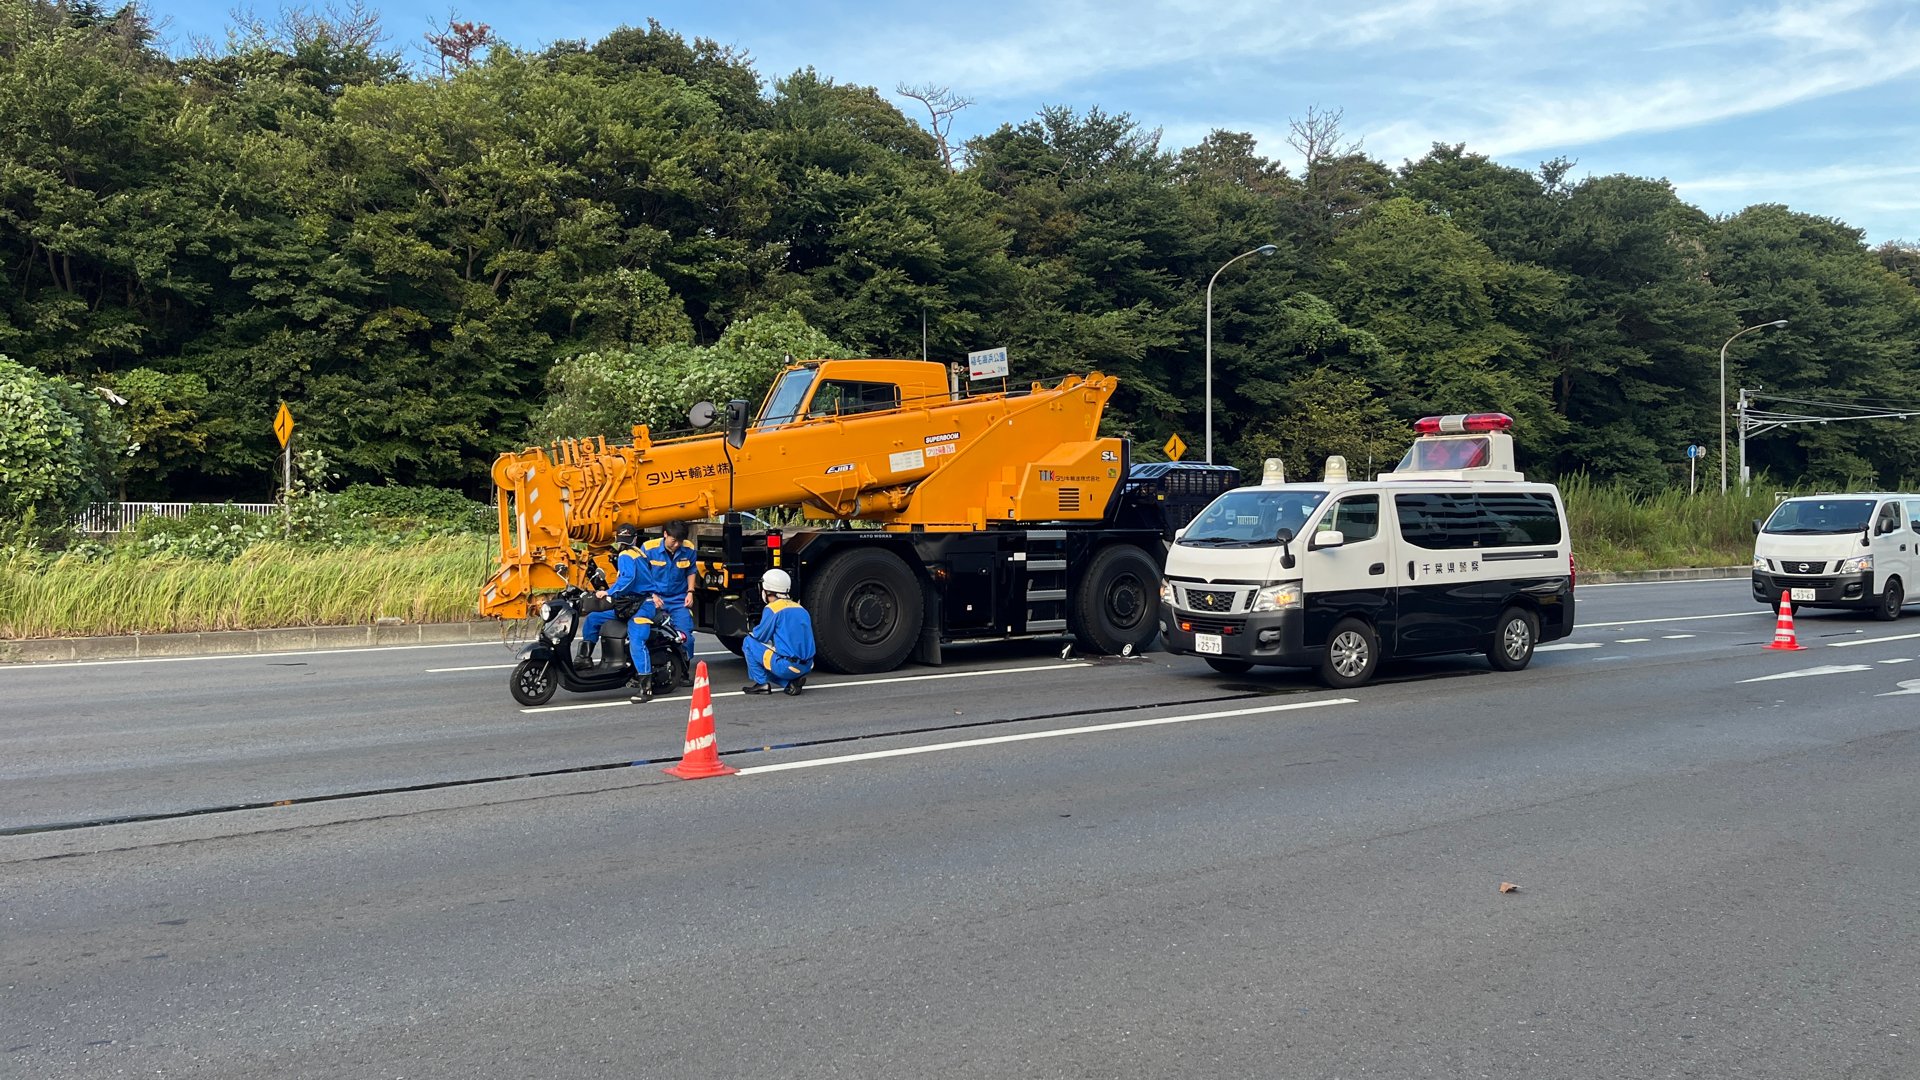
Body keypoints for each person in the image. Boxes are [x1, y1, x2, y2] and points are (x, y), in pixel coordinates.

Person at [742, 568, 815, 696]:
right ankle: (789, 685)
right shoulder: (801, 609)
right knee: (774, 659)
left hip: (786, 666)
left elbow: (760, 636)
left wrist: (751, 629)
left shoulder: (773, 608)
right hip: (807, 665)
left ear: (768, 589)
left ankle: (761, 684)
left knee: (748, 642)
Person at [640, 520, 698, 659]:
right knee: (647, 634)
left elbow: (691, 570)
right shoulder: (648, 548)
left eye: (680, 541)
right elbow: (642, 574)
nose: (677, 544)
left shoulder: (688, 548)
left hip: (678, 599)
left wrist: (690, 592)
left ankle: (684, 671)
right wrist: (651, 595)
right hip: (654, 599)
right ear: (665, 534)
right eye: (674, 540)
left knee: (685, 637)